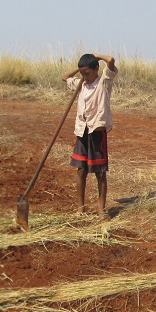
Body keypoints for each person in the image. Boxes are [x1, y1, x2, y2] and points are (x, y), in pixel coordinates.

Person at [61, 53, 118, 216]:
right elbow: (64, 76)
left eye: (88, 73)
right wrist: (80, 69)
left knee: (100, 172)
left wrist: (97, 56)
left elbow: (111, 61)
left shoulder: (104, 82)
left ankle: (101, 208)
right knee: (81, 170)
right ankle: (81, 208)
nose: (85, 77)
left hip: (97, 132)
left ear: (97, 69)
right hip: (82, 132)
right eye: (82, 74)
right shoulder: (80, 84)